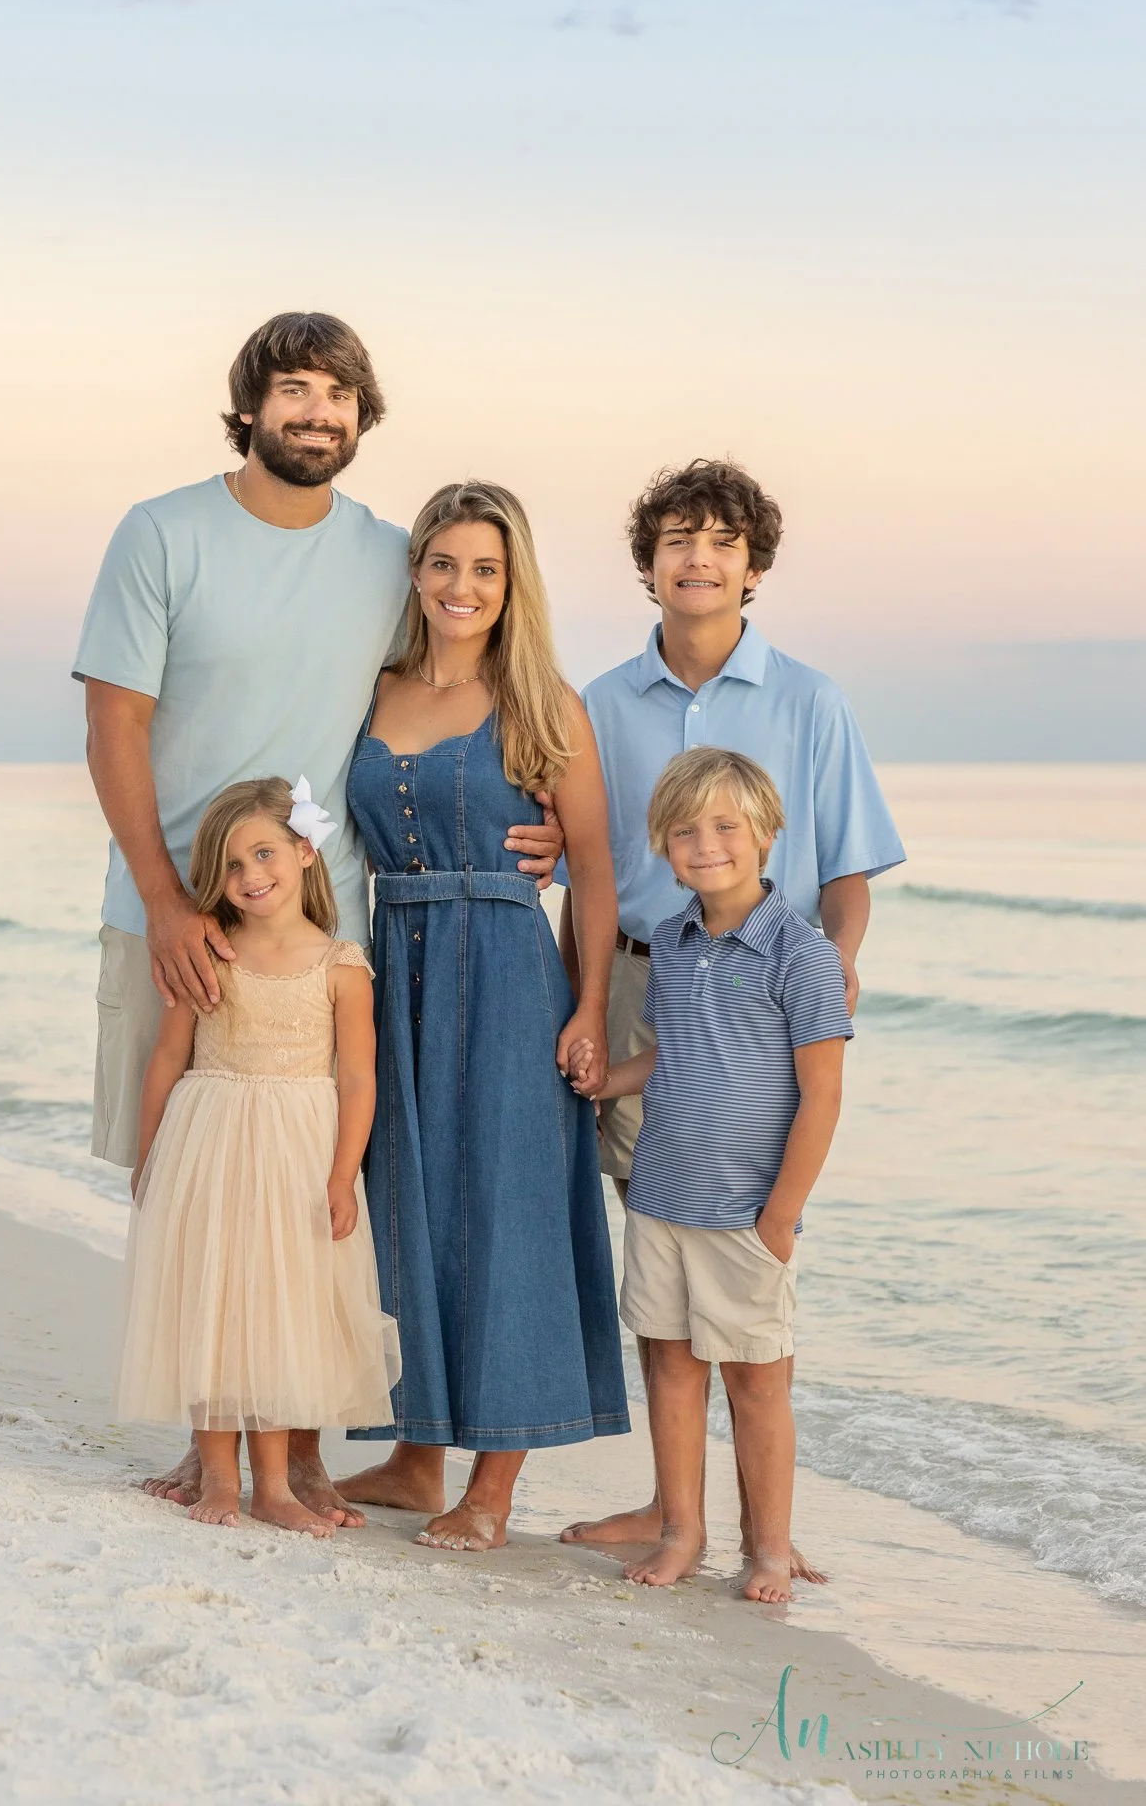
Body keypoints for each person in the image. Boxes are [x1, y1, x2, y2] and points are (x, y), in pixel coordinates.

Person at [74, 312, 563, 1519]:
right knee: (187, 1173)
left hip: (324, 930)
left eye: (337, 393)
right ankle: (208, 1436)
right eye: (293, 388)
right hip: (175, 914)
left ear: (361, 413)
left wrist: (540, 813)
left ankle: (288, 1450)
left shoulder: (390, 556)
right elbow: (114, 722)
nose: (315, 412)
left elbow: (462, 674)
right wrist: (162, 899)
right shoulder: (161, 532)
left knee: (303, 1192)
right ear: (249, 405)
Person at [560, 458, 903, 1562]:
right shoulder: (598, 703)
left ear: (753, 566)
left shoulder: (810, 698)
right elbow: (584, 872)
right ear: (648, 564)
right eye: (676, 539)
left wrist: (833, 963)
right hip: (638, 978)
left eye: (720, 540)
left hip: (764, 991)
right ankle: (676, 1511)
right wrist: (585, 1008)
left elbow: (846, 867)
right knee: (659, 1252)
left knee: (750, 1245)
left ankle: (765, 1527)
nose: (697, 558)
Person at [333, 482, 629, 1552]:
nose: (462, 586)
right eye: (444, 563)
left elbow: (594, 872)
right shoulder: (368, 688)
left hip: (506, 971)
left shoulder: (544, 701)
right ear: (415, 571)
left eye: (485, 568)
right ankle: (415, 1457)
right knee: (403, 1201)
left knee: (510, 1208)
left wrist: (589, 1008)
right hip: (392, 966)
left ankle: (492, 1487)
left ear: (513, 583)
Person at [569, 747, 851, 1600]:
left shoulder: (802, 956)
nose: (706, 845)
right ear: (663, 844)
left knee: (756, 1384)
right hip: (660, 1197)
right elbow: (669, 1055)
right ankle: (681, 1531)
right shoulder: (671, 940)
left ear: (765, 834)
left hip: (744, 1212)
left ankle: (769, 1548)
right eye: (686, 831)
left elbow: (822, 1096)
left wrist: (782, 1215)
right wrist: (604, 1082)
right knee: (669, 1369)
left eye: (726, 827)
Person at [115, 776, 400, 1534]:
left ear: (306, 851)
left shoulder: (341, 964)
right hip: (208, 1144)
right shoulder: (211, 954)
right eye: (233, 865)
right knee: (212, 1304)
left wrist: (343, 1175)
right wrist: (149, 1158)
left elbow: (359, 1078)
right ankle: (218, 1478)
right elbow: (167, 1058)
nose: (249, 875)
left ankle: (274, 1487)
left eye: (264, 853)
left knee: (280, 1311)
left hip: (298, 1155)